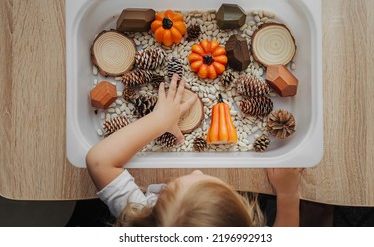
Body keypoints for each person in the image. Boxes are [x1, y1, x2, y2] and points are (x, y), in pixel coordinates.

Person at [86, 73, 303, 227]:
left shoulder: (141, 214)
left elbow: (99, 161)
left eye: (167, 190)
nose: (196, 171)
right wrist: (288, 195)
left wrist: (159, 120)